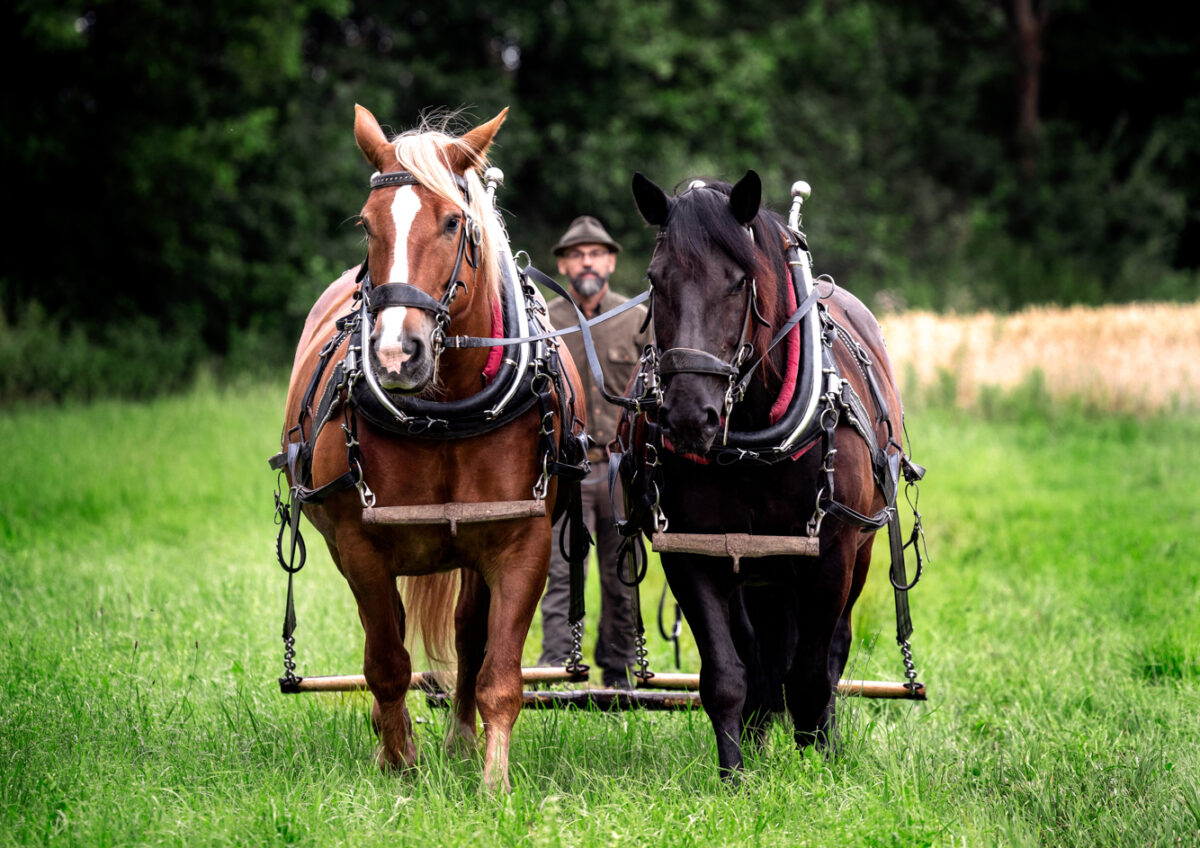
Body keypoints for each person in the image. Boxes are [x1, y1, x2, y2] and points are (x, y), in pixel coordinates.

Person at [539, 215, 650, 688]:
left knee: (622, 576)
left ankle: (619, 671)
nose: (587, 262)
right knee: (561, 574)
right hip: (563, 470)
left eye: (596, 254)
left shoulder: (636, 319)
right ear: (563, 265)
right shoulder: (543, 320)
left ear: (611, 263)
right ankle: (558, 666)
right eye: (577, 254)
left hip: (620, 471)